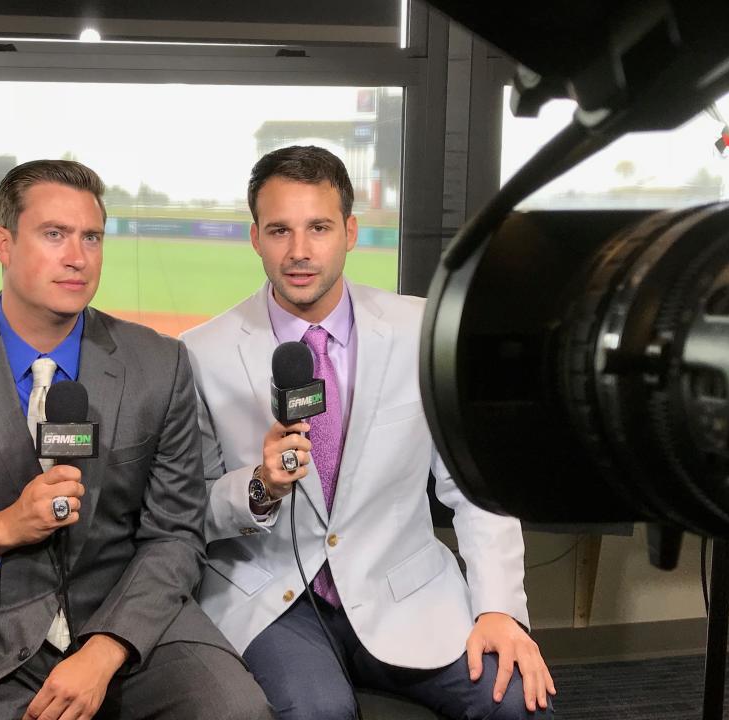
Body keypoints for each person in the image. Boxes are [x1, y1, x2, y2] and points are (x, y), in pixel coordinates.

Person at [0, 160, 272, 720]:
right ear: (3, 243)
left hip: (127, 622)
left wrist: (106, 649)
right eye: (54, 234)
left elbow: (176, 535)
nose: (78, 257)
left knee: (235, 709)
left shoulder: (158, 364)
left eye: (91, 237)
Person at [180, 146, 556, 720]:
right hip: (275, 600)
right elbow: (192, 508)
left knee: (519, 707)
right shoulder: (201, 352)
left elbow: (475, 487)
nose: (300, 252)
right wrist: (258, 487)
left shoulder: (423, 332)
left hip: (406, 589)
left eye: (319, 227)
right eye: (279, 230)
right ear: (255, 237)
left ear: (350, 231)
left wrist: (499, 608)